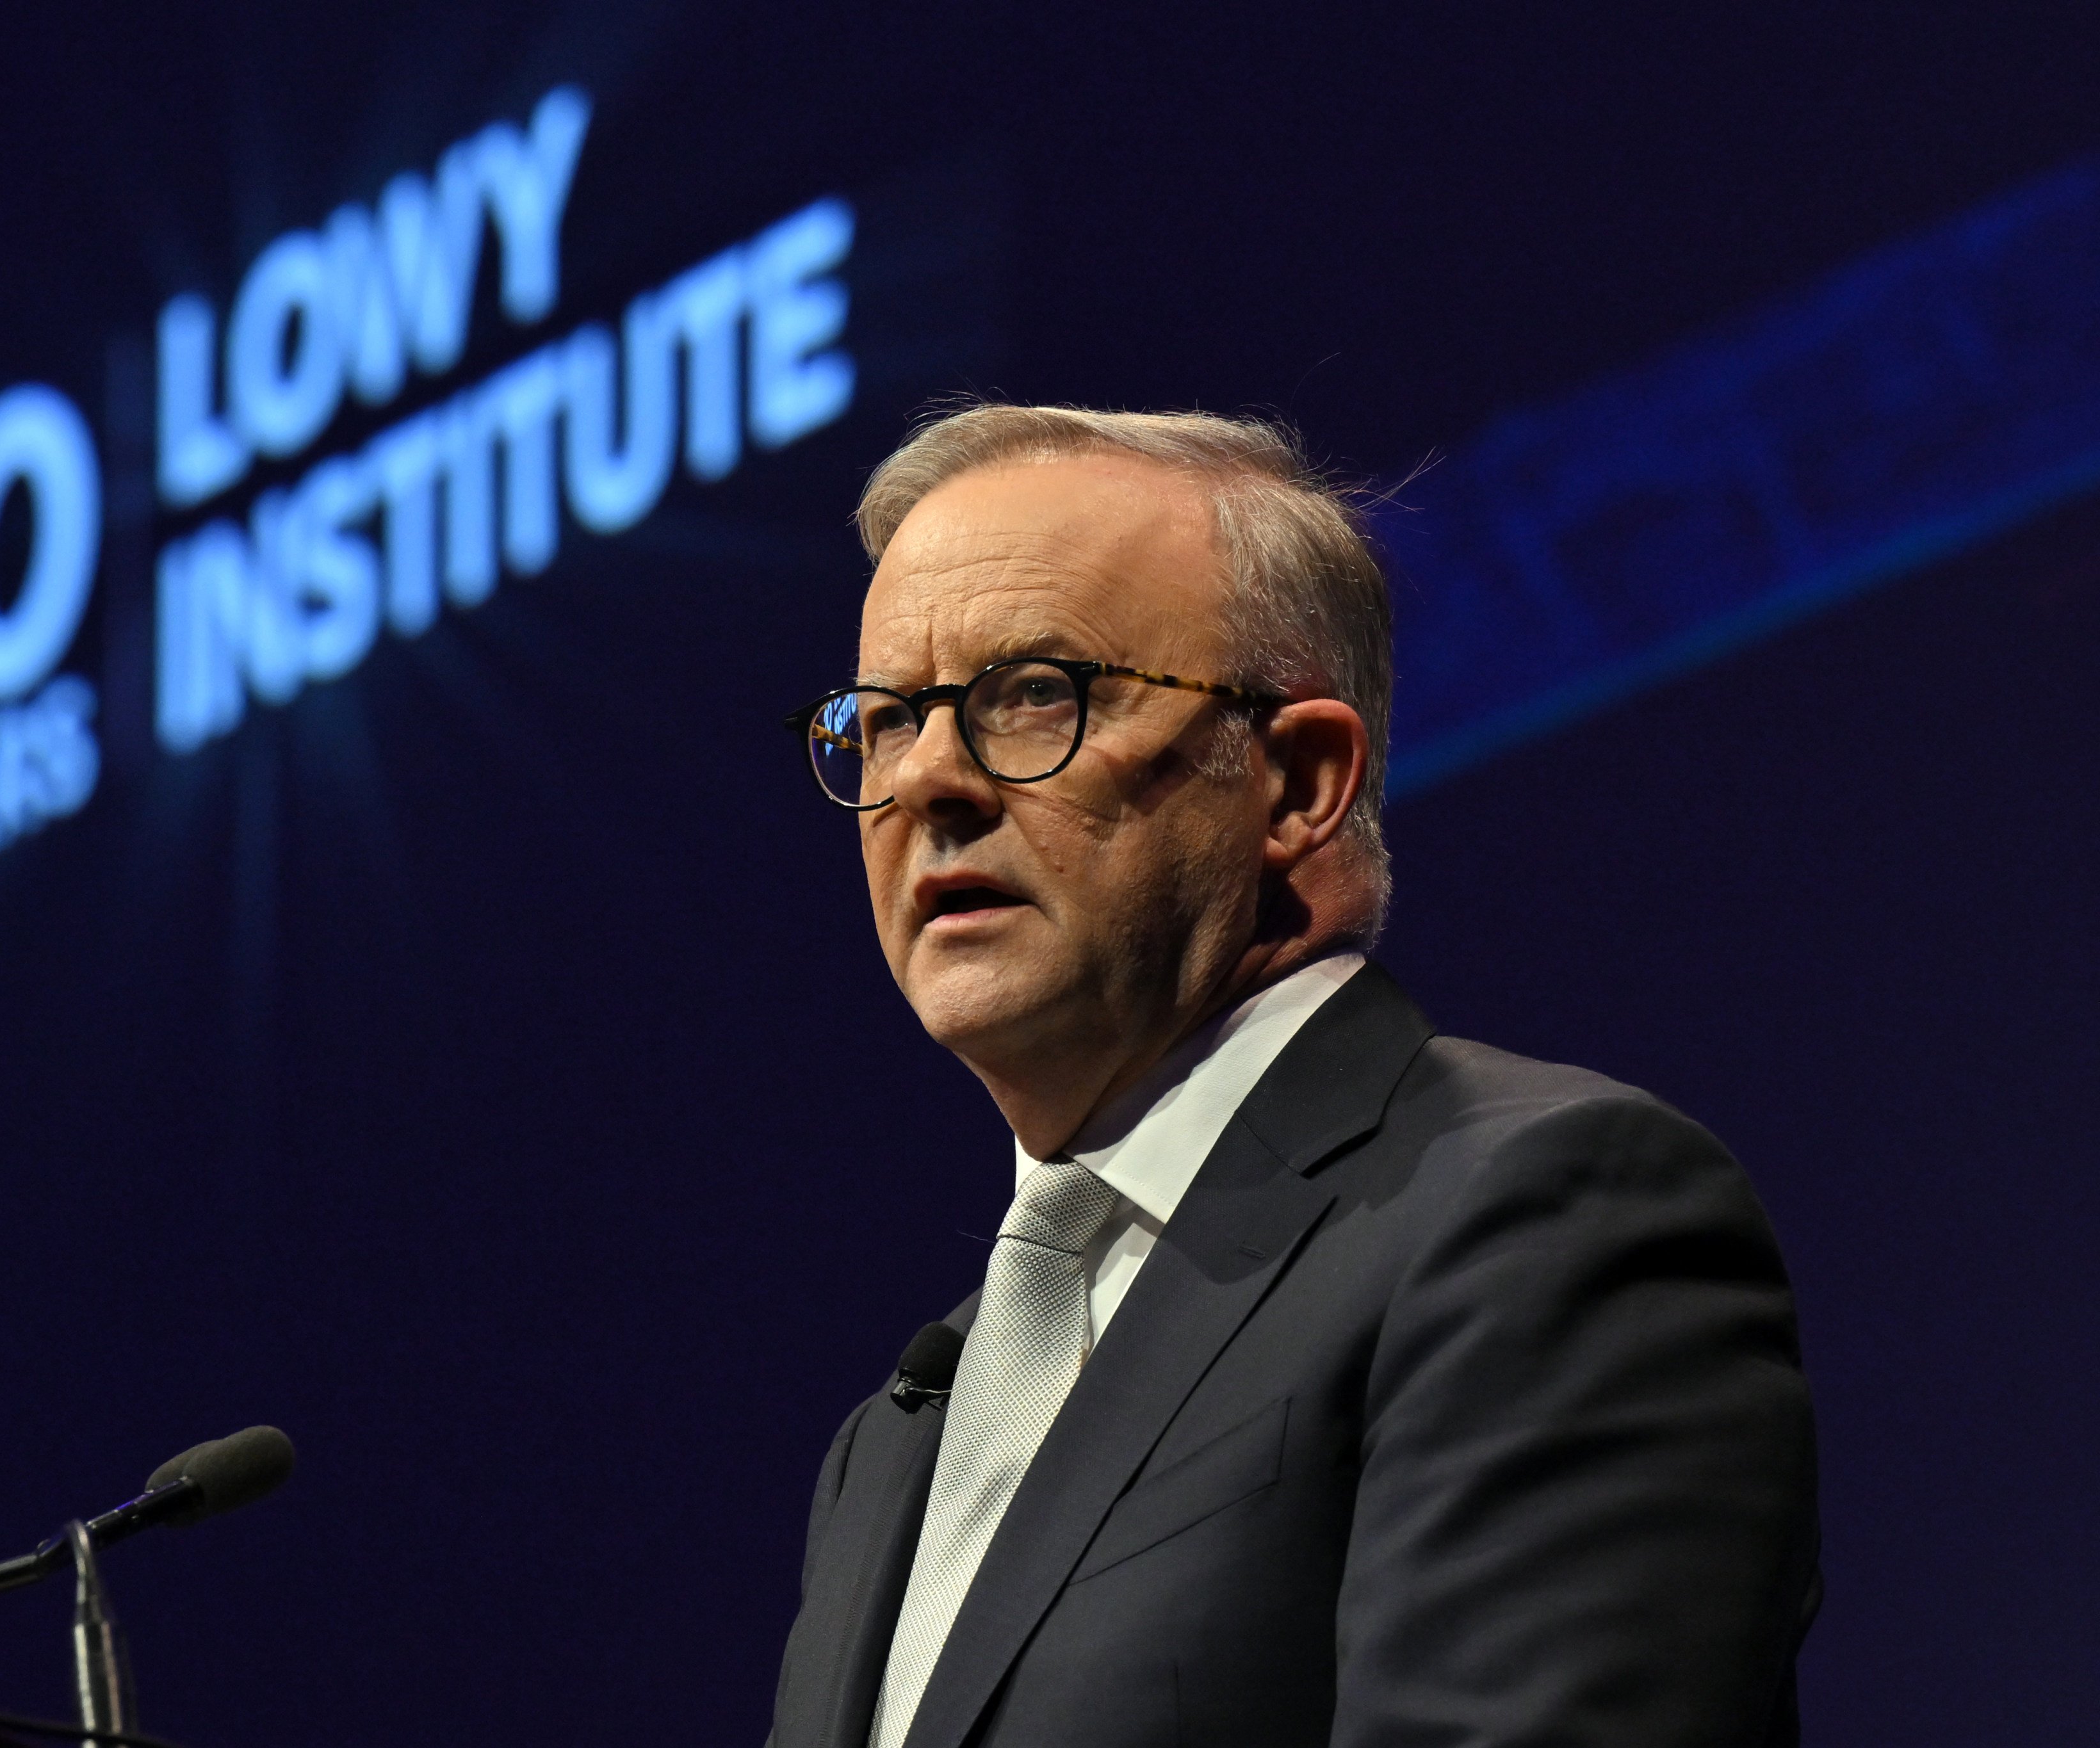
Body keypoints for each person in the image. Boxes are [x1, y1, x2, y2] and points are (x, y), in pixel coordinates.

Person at [767, 406, 1819, 1748]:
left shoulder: (1536, 1217)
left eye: (1030, 693)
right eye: (883, 721)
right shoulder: (897, 1439)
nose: (924, 780)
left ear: (1297, 782)